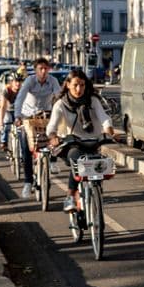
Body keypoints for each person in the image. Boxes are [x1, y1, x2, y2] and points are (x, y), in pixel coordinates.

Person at [47, 69, 115, 212]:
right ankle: (70, 196)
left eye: (82, 85)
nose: (79, 89)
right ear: (67, 85)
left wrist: (109, 131)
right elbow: (51, 126)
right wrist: (53, 137)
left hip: (93, 142)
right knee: (78, 162)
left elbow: (104, 118)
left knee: (98, 167)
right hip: (72, 144)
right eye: (75, 85)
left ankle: (95, 195)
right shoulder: (61, 104)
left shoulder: (93, 100)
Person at [13, 58, 62, 199]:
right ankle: (28, 182)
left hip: (46, 115)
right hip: (29, 116)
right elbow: (20, 99)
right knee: (26, 145)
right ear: (35, 70)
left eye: (46, 69)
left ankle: (52, 161)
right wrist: (17, 116)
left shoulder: (53, 81)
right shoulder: (30, 81)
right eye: (40, 68)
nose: (43, 71)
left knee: (56, 135)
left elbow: (59, 97)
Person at [0, 74, 23, 153]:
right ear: (12, 82)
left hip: (19, 112)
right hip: (8, 110)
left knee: (21, 132)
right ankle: (4, 142)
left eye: (19, 81)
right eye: (16, 81)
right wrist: (1, 122)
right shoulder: (7, 90)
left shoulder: (23, 91)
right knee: (6, 122)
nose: (18, 84)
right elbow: (3, 107)